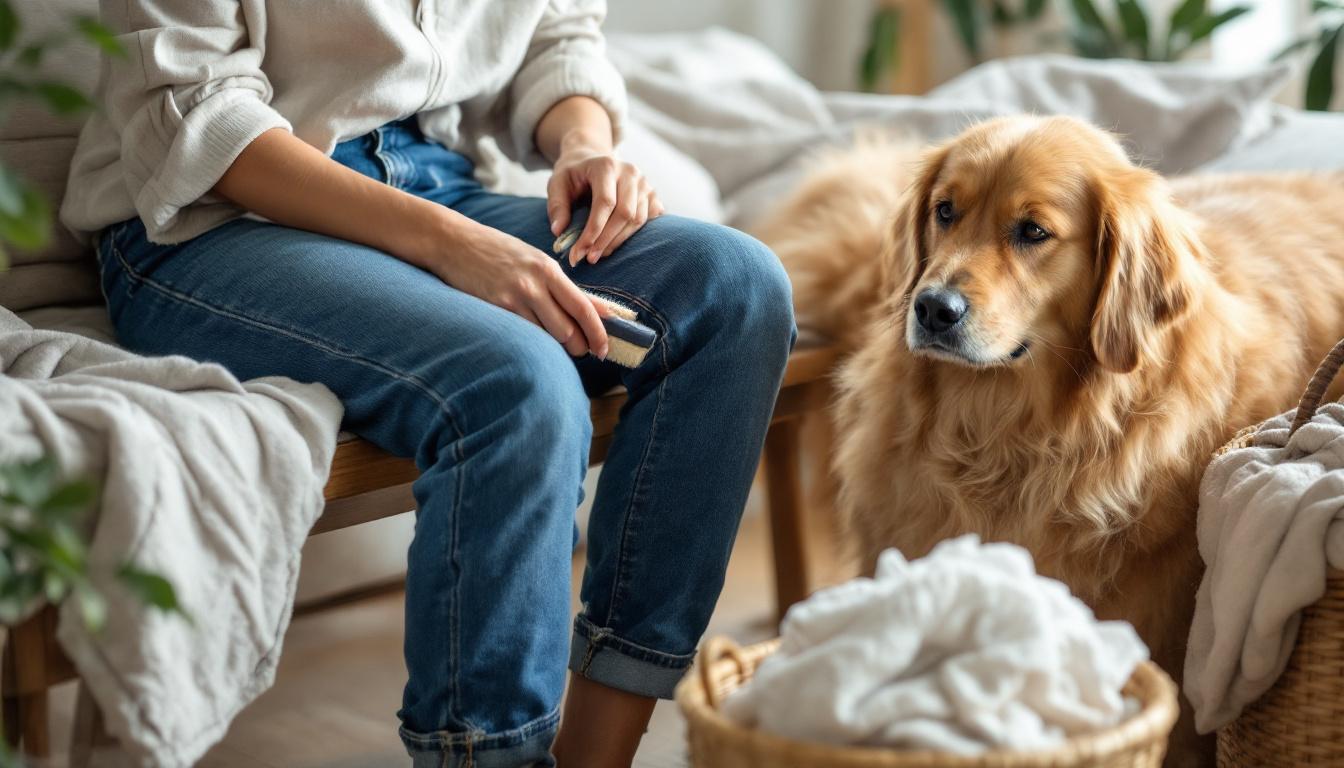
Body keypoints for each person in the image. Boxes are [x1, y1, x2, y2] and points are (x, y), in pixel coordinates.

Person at [61, 2, 795, 767]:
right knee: (520, 381)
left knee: (736, 287)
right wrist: (451, 247)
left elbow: (555, 34)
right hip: (217, 219)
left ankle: (595, 757)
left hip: (435, 180)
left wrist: (585, 143)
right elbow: (194, 116)